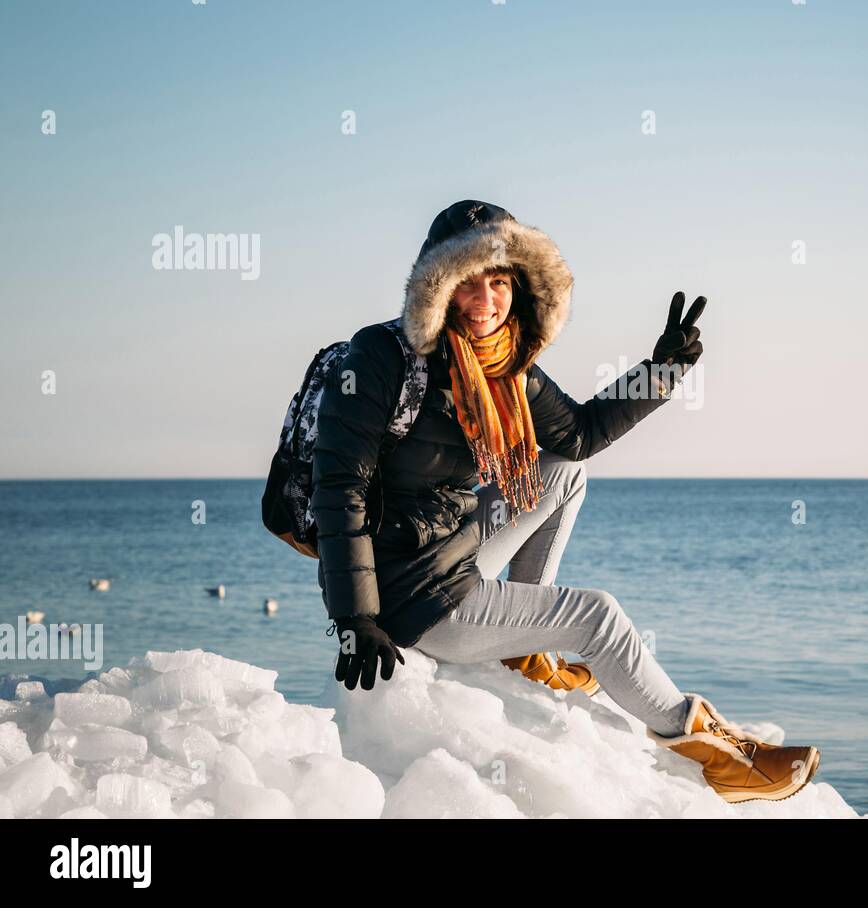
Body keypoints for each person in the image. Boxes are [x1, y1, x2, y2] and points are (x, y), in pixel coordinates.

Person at [311, 199, 819, 802]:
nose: (485, 301)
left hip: (452, 554)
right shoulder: (380, 358)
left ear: (518, 288)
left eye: (498, 281)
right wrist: (355, 619)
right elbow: (339, 489)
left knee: (564, 470)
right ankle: (718, 757)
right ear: (438, 287)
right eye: (467, 282)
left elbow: (578, 434)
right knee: (597, 616)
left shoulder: (506, 364)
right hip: (412, 600)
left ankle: (523, 654)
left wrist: (659, 372)